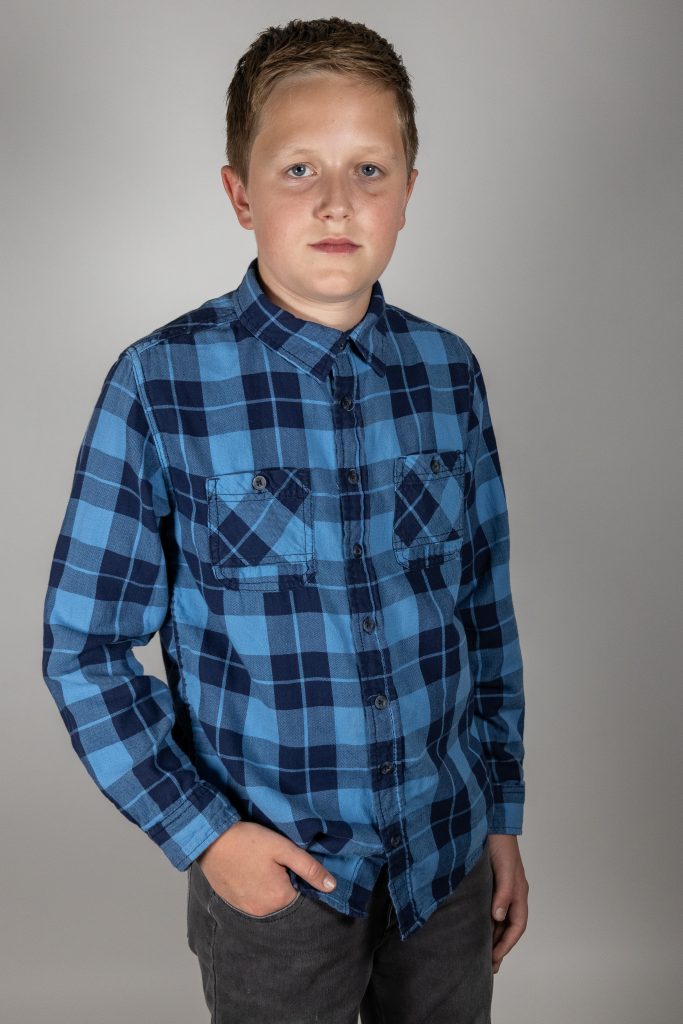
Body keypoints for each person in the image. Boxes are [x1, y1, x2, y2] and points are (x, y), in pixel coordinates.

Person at [42, 15, 528, 1024]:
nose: (337, 201)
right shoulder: (160, 384)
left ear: (407, 192)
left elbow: (482, 611)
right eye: (299, 169)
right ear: (240, 193)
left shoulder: (448, 373)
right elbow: (82, 649)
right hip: (278, 882)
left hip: (443, 859)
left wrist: (500, 816)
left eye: (368, 170)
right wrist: (206, 835)